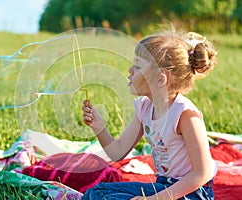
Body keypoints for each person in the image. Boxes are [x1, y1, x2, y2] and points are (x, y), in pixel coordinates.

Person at [82, 30, 218, 200]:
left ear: (161, 79)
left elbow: (202, 173)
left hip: (192, 193)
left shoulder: (185, 115)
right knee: (97, 193)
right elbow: (117, 152)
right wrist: (99, 128)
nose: (130, 70)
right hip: (164, 187)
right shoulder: (144, 108)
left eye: (138, 66)